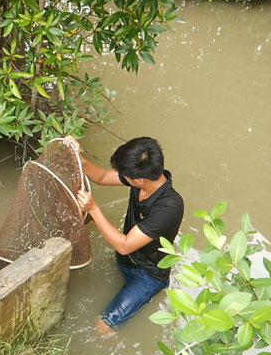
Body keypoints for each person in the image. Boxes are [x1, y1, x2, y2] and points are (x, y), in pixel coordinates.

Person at [63, 135, 184, 334]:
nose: (120, 176)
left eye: (124, 175)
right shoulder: (143, 178)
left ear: (139, 180)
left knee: (103, 327)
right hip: (125, 258)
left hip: (146, 276)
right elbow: (101, 177)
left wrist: (93, 209)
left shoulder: (169, 207)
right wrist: (79, 157)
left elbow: (124, 244)